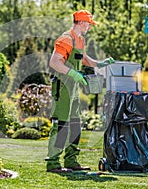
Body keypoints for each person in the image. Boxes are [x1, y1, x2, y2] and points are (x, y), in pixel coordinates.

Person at [45, 10, 115, 173]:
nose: (90, 27)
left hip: (74, 88)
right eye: (89, 24)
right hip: (63, 86)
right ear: (82, 23)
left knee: (75, 124)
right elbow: (54, 62)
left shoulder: (80, 40)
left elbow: (83, 59)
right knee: (62, 124)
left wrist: (100, 64)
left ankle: (71, 160)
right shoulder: (66, 38)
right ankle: (53, 163)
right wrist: (72, 73)